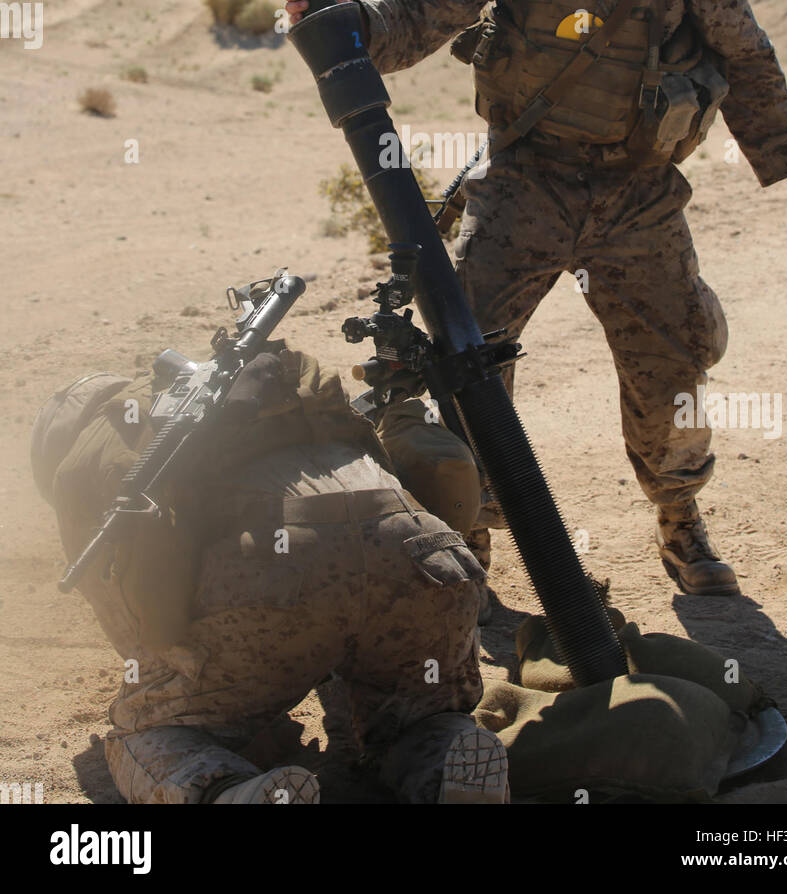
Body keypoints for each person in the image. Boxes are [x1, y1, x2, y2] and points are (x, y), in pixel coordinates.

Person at [281, 0, 787, 597]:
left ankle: (681, 522)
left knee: (673, 371)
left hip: (637, 193)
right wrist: (342, 17)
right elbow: (425, 7)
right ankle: (471, 530)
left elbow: (747, 57)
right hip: (525, 181)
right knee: (458, 358)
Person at [31, 343, 508, 804]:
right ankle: (443, 756)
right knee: (407, 710)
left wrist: (219, 699)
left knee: (148, 729)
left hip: (282, 575)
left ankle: (226, 790)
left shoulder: (102, 455)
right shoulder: (260, 389)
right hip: (424, 554)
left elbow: (145, 628)